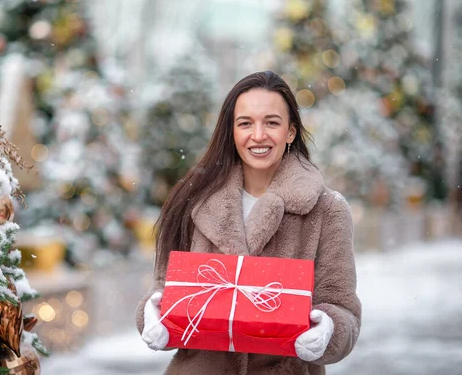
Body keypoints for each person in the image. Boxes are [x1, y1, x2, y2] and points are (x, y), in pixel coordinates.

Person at [136, 71, 361, 375]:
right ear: (231, 131)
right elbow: (165, 289)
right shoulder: (193, 203)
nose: (258, 135)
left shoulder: (327, 210)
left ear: (290, 132)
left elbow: (342, 307)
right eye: (245, 123)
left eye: (271, 122)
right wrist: (152, 314)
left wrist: (328, 328)